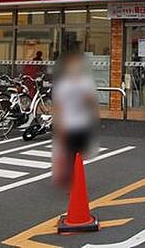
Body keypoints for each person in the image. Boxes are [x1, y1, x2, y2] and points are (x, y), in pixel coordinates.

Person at [52, 50, 99, 187]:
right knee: (70, 154)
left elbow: (91, 101)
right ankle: (71, 181)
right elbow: (58, 106)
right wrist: (59, 124)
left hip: (83, 123)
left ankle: (74, 177)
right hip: (68, 124)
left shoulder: (86, 82)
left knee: (81, 153)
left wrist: (94, 118)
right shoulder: (63, 84)